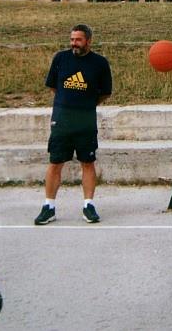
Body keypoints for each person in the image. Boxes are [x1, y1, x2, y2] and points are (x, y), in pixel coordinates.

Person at [34, 24, 112, 225]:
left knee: (87, 162)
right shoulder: (61, 58)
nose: (73, 43)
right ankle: (48, 207)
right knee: (55, 162)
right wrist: (67, 105)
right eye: (72, 40)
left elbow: (105, 92)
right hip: (62, 120)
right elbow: (53, 86)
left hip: (85, 121)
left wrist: (85, 105)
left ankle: (88, 205)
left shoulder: (100, 63)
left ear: (88, 41)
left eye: (78, 40)